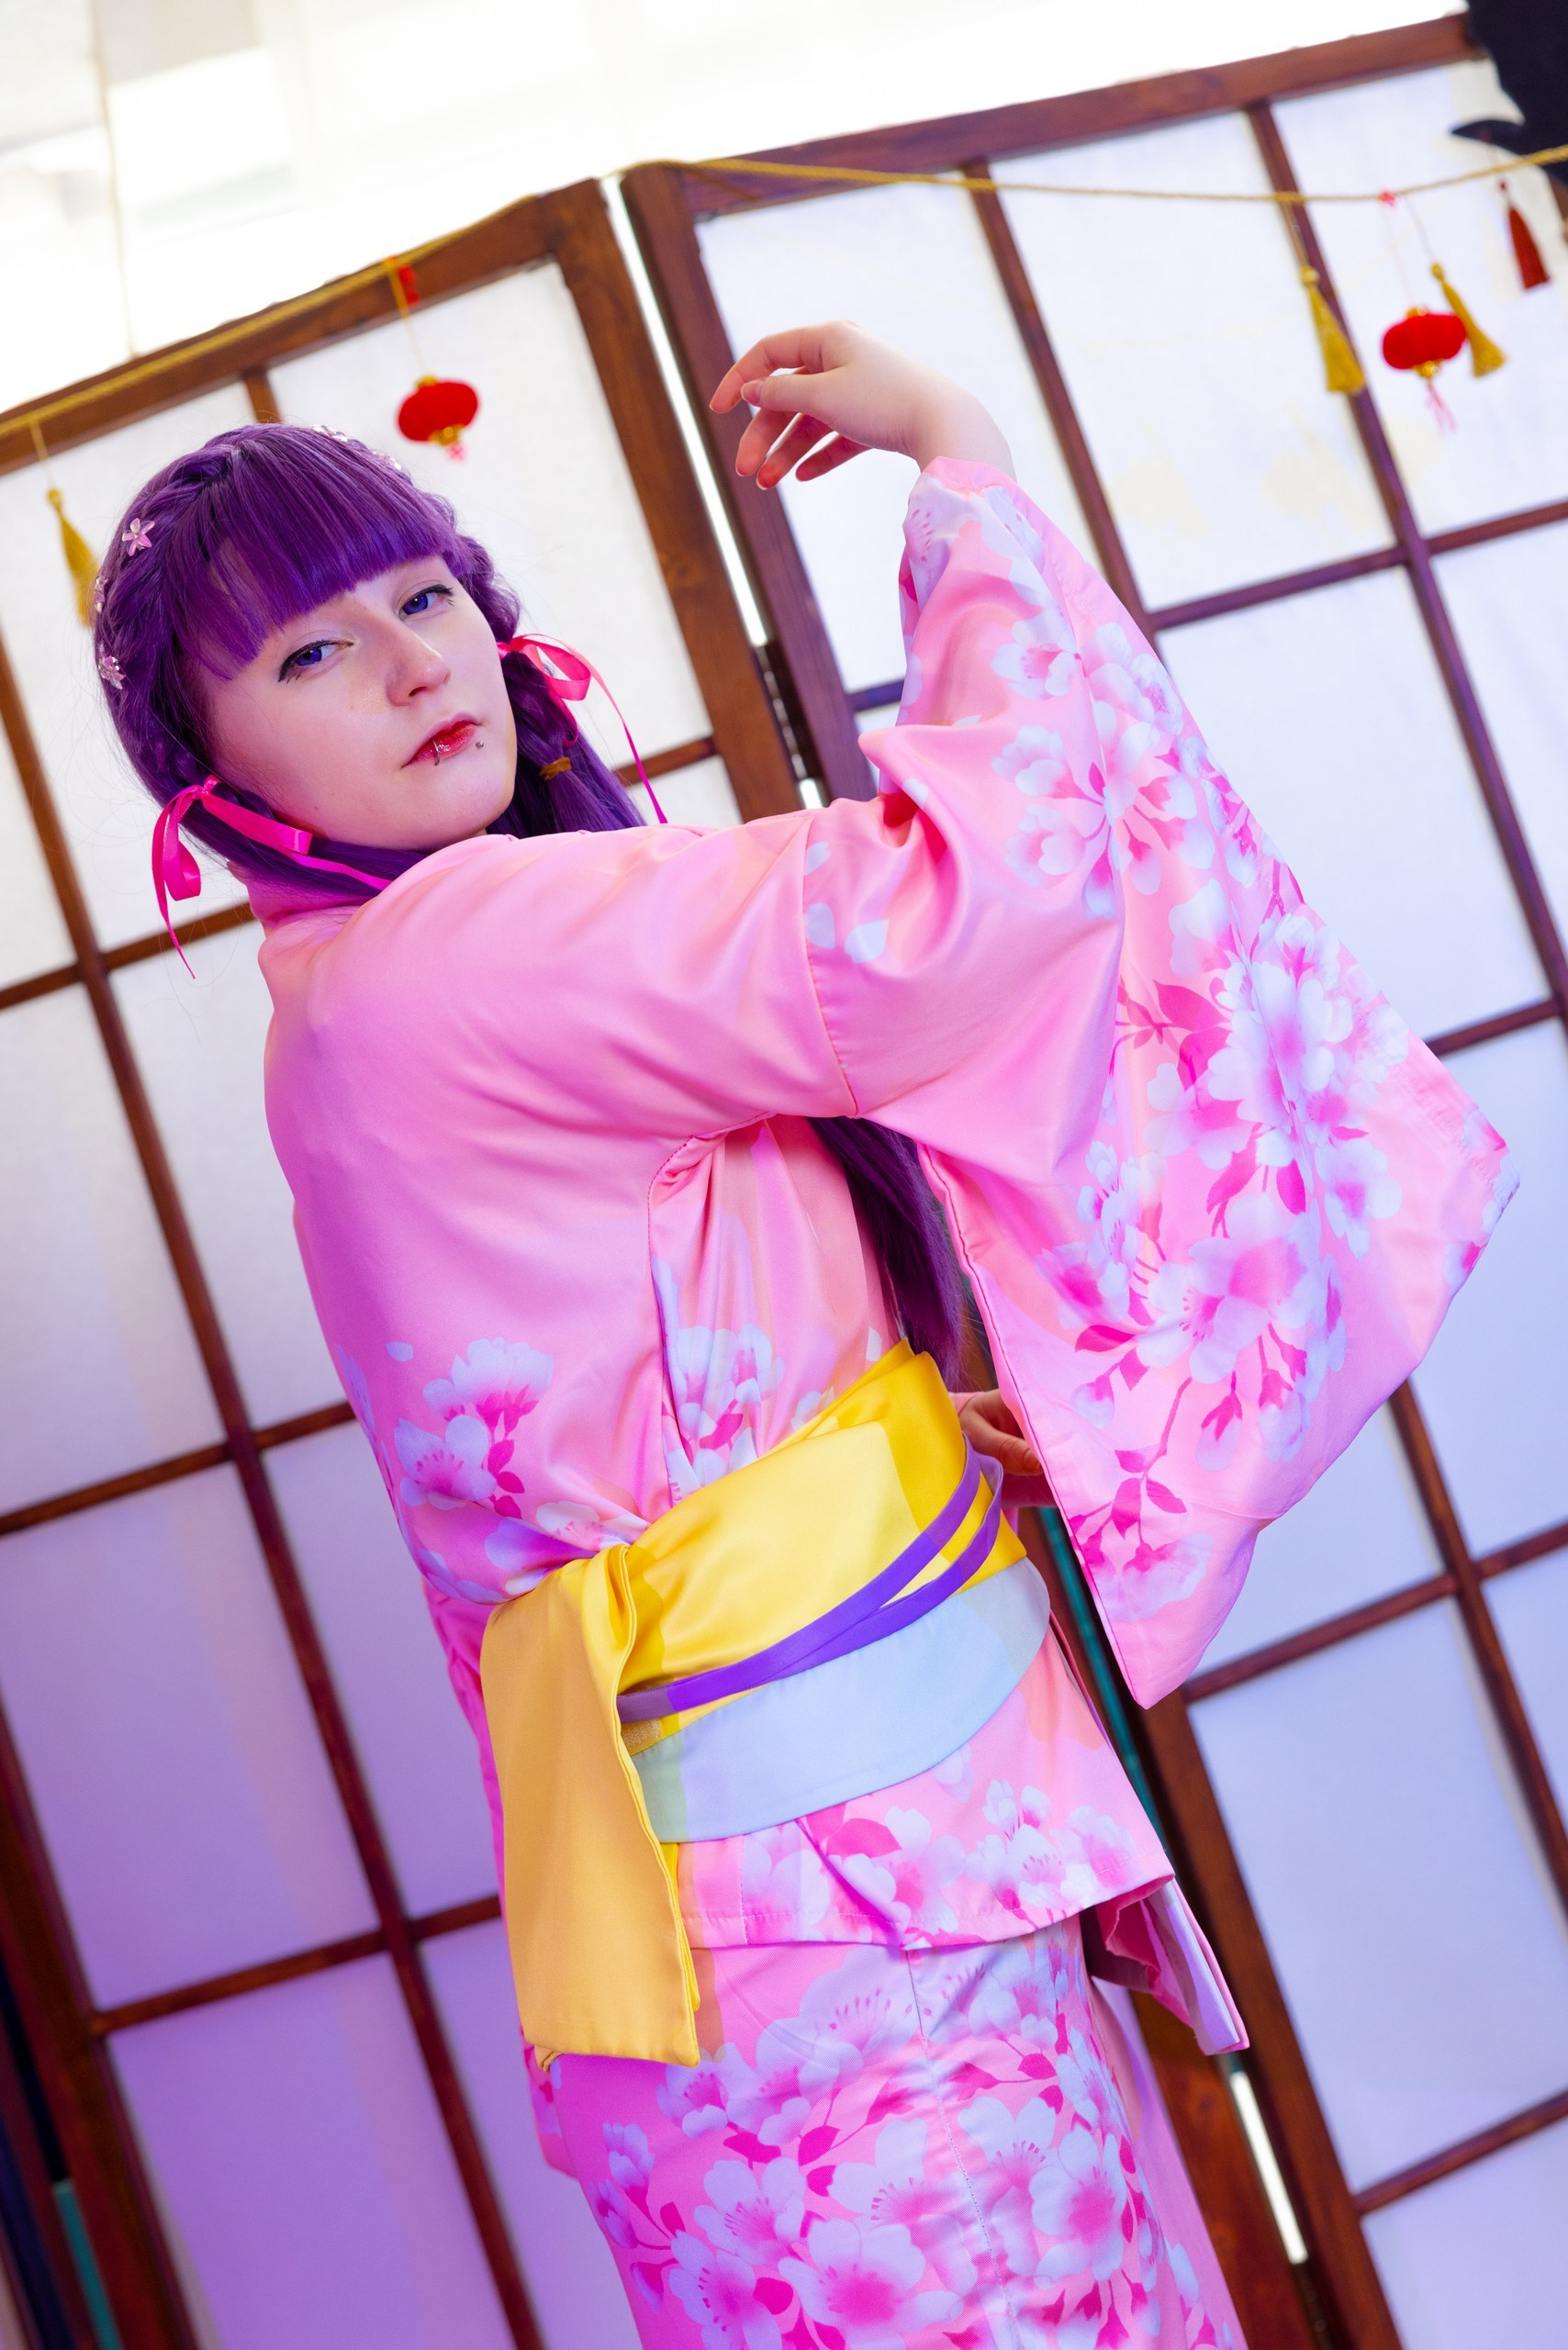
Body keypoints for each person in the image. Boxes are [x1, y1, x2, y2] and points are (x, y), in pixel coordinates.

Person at [95, 324, 1509, 2348]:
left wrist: (893, 1443)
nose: (411, 663)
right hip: (848, 1925)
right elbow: (958, 911)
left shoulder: (351, 993)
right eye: (312, 650)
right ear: (211, 775)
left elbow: (645, 1370)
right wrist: (959, 458)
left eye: (425, 595)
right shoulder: (452, 952)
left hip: (797, 1911)